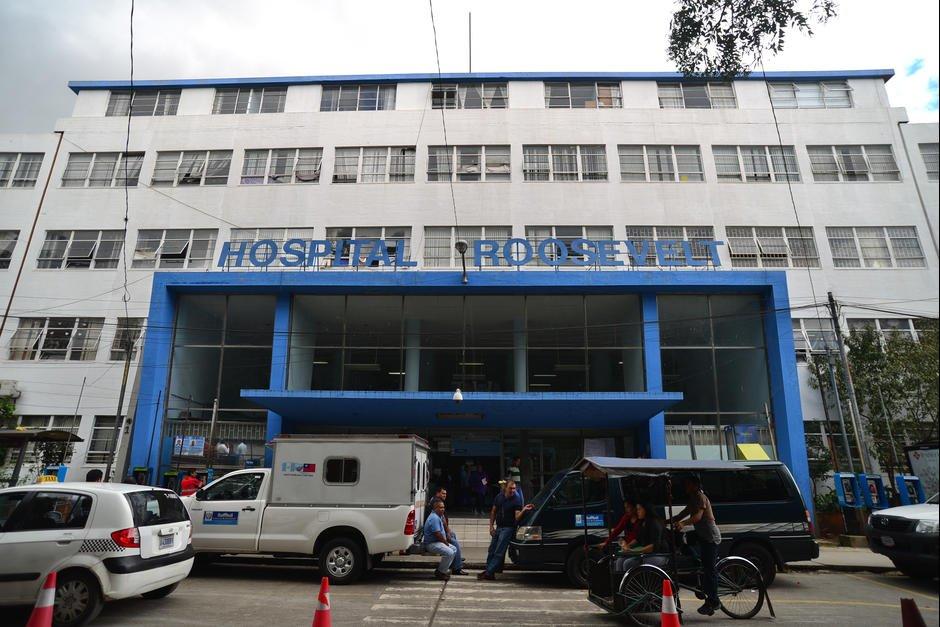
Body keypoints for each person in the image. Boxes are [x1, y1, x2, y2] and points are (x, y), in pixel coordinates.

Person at [670, 475, 722, 616]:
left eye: (687, 484)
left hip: (710, 537)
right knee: (684, 543)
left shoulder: (700, 497)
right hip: (701, 535)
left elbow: (697, 517)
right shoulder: (693, 498)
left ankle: (713, 601)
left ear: (694, 485)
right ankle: (701, 578)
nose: (685, 486)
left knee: (709, 568)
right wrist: (670, 520)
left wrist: (683, 523)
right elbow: (684, 512)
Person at [478, 480, 533, 580]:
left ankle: (488, 572)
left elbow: (517, 517)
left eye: (514, 488)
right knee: (492, 550)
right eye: (510, 488)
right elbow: (493, 512)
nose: (513, 490)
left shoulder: (517, 499)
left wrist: (524, 509)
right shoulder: (499, 497)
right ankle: (489, 571)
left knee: (499, 551)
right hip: (499, 527)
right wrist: (491, 526)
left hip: (508, 528)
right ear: (505, 488)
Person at [613, 502, 669, 572]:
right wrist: (627, 546)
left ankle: (630, 582)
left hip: (658, 554)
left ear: (646, 510)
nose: (637, 512)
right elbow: (638, 539)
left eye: (639, 509)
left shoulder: (654, 523)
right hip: (645, 553)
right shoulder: (642, 522)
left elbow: (654, 546)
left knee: (628, 563)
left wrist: (636, 552)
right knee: (619, 561)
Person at [428, 487, 467, 575]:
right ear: (437, 493)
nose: (445, 495)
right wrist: (446, 539)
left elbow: (443, 520)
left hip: (441, 530)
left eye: (445, 494)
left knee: (453, 535)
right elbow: (440, 526)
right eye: (443, 493)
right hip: (437, 534)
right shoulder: (436, 502)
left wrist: (448, 532)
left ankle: (456, 558)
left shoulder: (437, 501)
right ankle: (457, 567)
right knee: (454, 543)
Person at [423, 500, 457, 580]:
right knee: (449, 552)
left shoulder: (438, 515)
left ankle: (442, 570)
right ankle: (440, 573)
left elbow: (444, 524)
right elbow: (437, 534)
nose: (443, 509)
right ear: (435, 508)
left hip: (437, 542)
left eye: (443, 507)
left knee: (454, 549)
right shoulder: (434, 518)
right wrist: (446, 543)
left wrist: (448, 533)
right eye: (440, 507)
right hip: (432, 544)